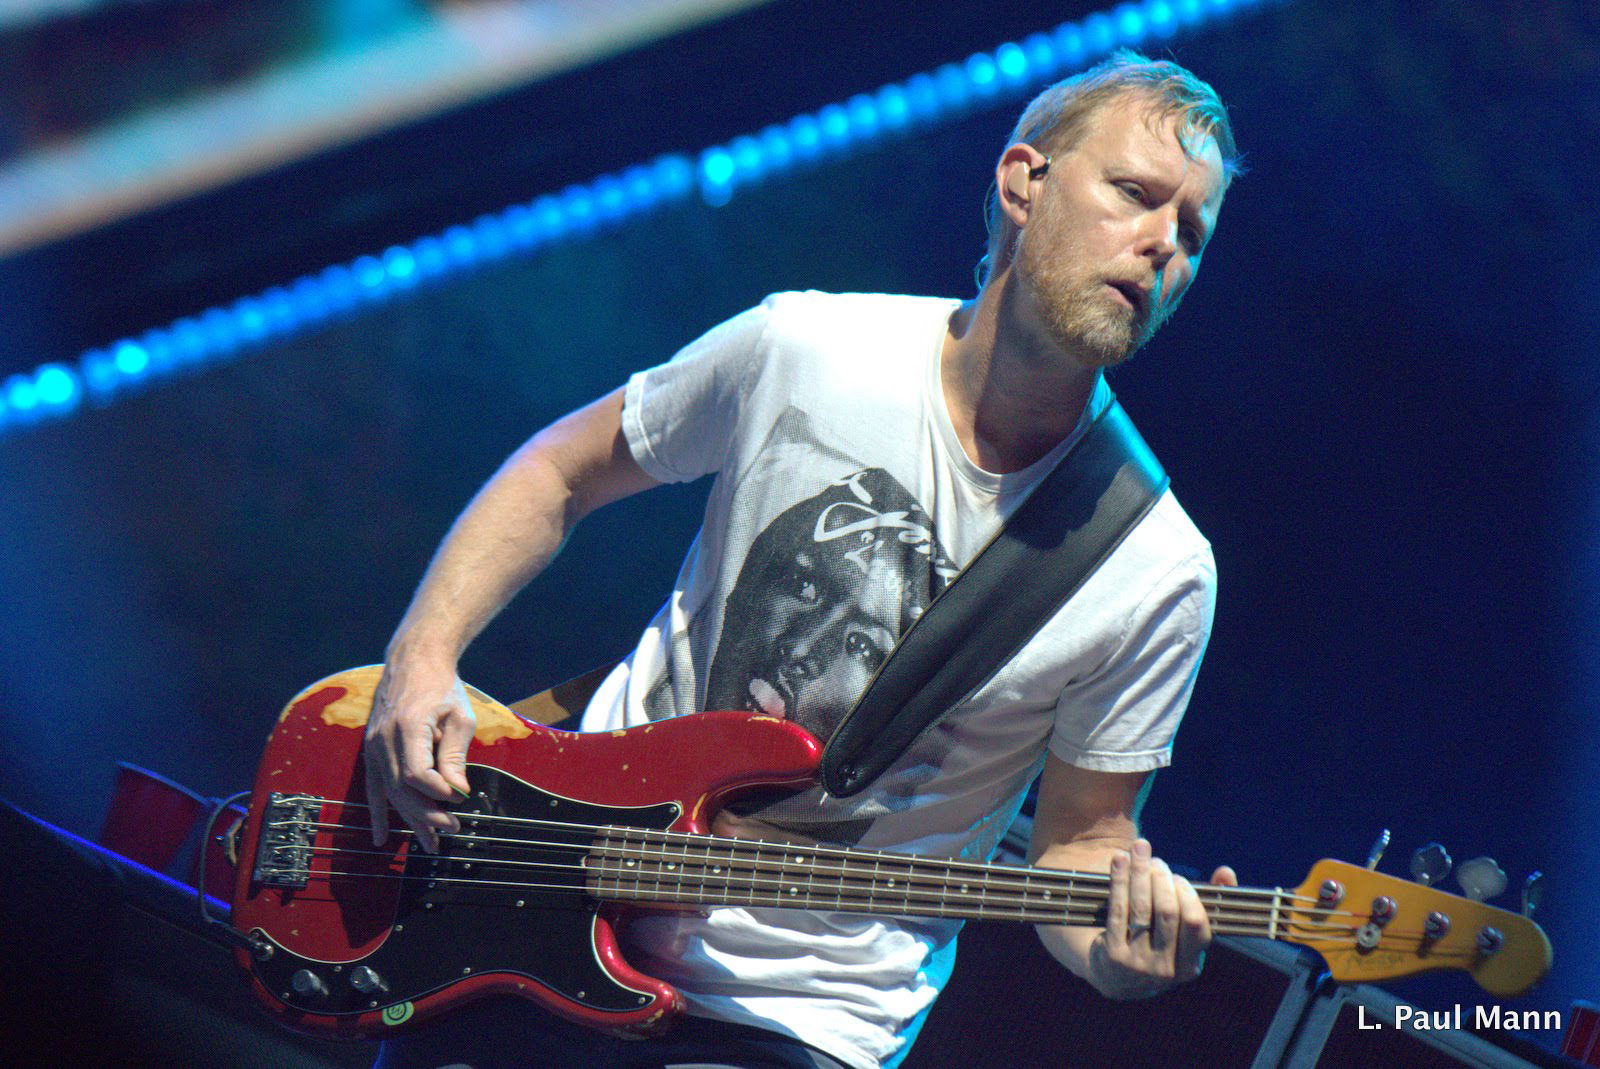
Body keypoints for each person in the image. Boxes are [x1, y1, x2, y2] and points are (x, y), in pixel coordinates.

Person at [364, 49, 1242, 1069]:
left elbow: (1081, 841)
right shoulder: (806, 349)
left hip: (797, 1023)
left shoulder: (1156, 565)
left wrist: (1118, 956)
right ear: (1023, 181)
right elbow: (562, 470)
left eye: (1191, 233)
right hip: (535, 898)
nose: (1161, 245)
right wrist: (421, 660)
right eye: (1134, 193)